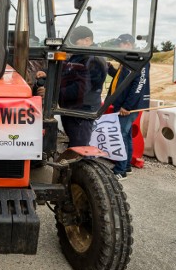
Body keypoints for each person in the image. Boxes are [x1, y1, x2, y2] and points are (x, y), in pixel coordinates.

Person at [107, 33, 150, 180]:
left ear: (128, 44)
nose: (119, 46)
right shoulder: (127, 59)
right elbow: (122, 79)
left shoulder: (139, 59)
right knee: (126, 135)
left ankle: (121, 170)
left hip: (129, 107)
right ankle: (126, 166)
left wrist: (127, 106)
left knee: (122, 136)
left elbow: (138, 85)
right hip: (125, 105)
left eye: (121, 44)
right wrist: (110, 69)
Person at [58, 26, 107, 147]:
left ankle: (81, 165)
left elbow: (80, 89)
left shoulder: (93, 60)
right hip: (72, 108)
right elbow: (65, 71)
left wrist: (54, 93)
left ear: (87, 40)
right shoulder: (79, 55)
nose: (72, 44)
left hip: (81, 111)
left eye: (75, 41)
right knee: (74, 142)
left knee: (79, 146)